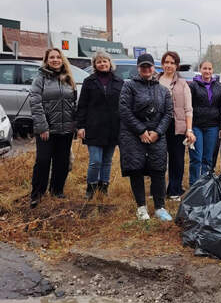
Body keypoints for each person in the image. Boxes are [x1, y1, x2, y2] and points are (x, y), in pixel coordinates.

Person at [118, 53, 174, 221]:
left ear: (153, 68)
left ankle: (159, 207)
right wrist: (141, 131)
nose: (147, 69)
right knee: (136, 169)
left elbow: (168, 113)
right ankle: (141, 207)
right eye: (143, 66)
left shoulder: (163, 90)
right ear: (138, 68)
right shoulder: (129, 87)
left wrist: (157, 132)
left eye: (149, 66)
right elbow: (124, 110)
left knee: (158, 170)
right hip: (134, 135)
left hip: (157, 134)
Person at [29, 48, 77, 208]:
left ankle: (57, 191)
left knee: (62, 162)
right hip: (46, 130)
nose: (55, 60)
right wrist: (43, 127)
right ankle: (37, 194)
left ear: (62, 59)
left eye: (58, 57)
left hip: (66, 129)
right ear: (46, 60)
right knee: (43, 161)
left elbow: (73, 104)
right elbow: (35, 103)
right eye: (52, 57)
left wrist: (75, 125)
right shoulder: (40, 78)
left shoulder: (68, 78)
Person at [76, 51, 124, 199]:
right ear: (94, 64)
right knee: (95, 161)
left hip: (112, 128)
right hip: (93, 127)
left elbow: (123, 106)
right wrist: (80, 126)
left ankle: (104, 188)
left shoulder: (119, 82)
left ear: (110, 63)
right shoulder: (89, 81)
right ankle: (90, 189)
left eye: (105, 61)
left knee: (107, 161)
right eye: (99, 62)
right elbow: (82, 105)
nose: (102, 64)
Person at [157, 51, 194, 200]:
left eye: (172, 63)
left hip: (177, 126)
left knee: (177, 159)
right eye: (166, 62)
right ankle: (158, 190)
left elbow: (188, 109)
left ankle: (174, 190)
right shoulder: (155, 81)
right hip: (158, 126)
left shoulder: (183, 83)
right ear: (162, 64)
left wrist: (189, 129)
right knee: (158, 159)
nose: (169, 65)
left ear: (177, 65)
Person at [188, 61, 221, 186]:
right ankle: (194, 185)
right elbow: (188, 106)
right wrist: (189, 128)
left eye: (209, 68)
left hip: (212, 126)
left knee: (208, 158)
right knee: (196, 157)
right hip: (196, 125)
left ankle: (205, 185)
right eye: (205, 68)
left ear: (213, 70)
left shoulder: (219, 86)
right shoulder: (193, 86)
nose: (207, 71)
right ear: (200, 69)